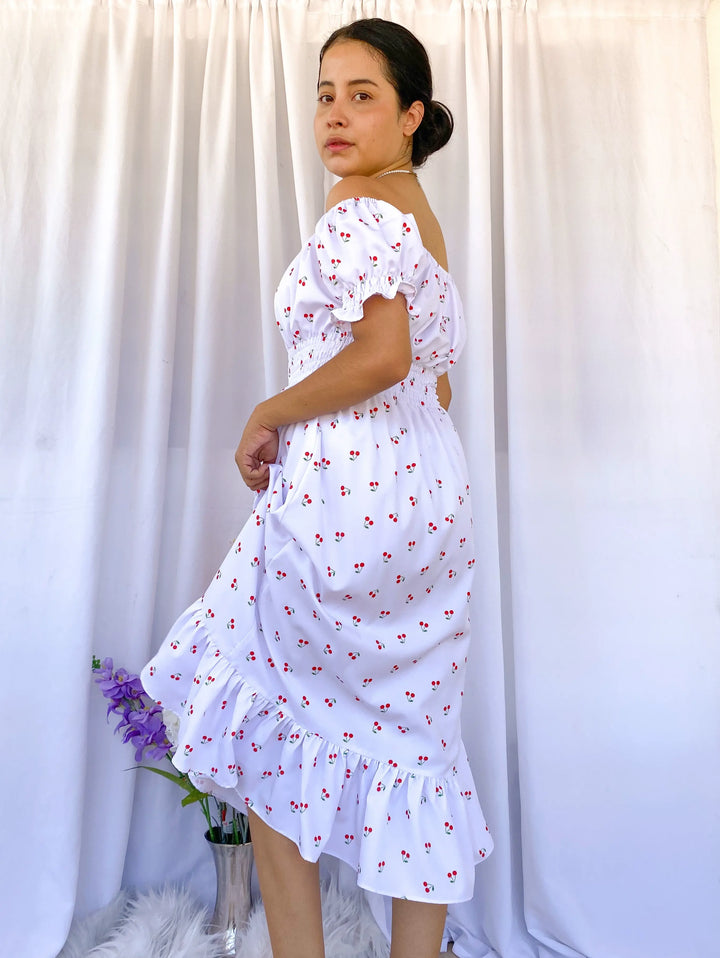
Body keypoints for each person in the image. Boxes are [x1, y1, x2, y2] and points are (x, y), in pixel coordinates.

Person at [141, 17, 493, 958]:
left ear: (413, 113)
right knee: (416, 738)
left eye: (363, 95)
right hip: (426, 500)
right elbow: (434, 378)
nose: (335, 114)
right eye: (325, 94)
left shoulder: (355, 211)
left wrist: (272, 408)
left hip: (346, 500)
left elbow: (381, 356)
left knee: (267, 723)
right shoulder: (419, 215)